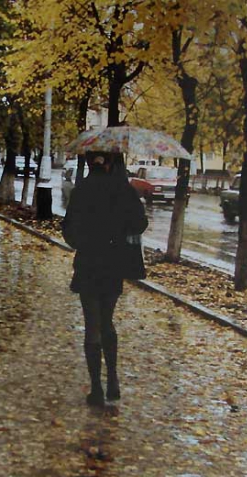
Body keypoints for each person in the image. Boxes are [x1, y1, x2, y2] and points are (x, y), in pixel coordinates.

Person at [62, 154, 148, 406]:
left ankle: (96, 389)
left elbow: (68, 229)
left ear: (90, 163)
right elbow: (140, 224)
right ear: (110, 164)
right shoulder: (123, 189)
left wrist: (83, 243)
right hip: (113, 263)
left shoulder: (81, 190)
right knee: (107, 321)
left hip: (88, 263)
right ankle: (113, 381)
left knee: (92, 324)